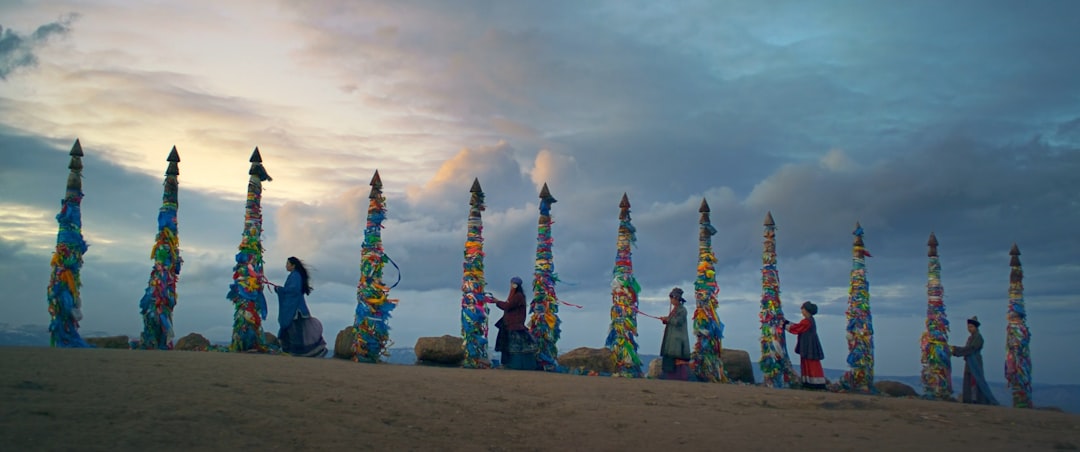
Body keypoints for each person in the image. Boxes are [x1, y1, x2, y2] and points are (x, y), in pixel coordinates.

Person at [273, 257, 327, 357]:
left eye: (288, 264)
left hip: (296, 309)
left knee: (295, 331)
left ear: (293, 265)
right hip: (297, 308)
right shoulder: (295, 275)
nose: (286, 266)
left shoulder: (295, 276)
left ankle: (297, 351)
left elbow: (294, 291)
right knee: (292, 330)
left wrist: (280, 290)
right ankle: (288, 350)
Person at [490, 276, 536, 370]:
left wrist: (497, 302)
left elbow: (507, 306)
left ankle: (510, 364)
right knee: (506, 346)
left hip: (514, 326)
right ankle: (506, 364)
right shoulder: (516, 296)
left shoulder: (518, 296)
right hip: (510, 325)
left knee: (510, 346)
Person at [951, 316, 999, 405]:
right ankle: (968, 400)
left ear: (976, 327)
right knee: (968, 380)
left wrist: (956, 350)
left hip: (975, 362)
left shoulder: (979, 338)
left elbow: (971, 348)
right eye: (968, 327)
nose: (969, 329)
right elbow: (967, 349)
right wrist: (955, 350)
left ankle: (977, 400)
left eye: (971, 327)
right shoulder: (970, 338)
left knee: (976, 380)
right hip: (969, 362)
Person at [784, 301, 827, 390]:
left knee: (811, 363)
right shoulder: (809, 320)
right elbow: (798, 326)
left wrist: (784, 325)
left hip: (809, 346)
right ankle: (809, 383)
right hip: (808, 345)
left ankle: (815, 383)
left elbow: (797, 328)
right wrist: (786, 322)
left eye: (802, 309)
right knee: (808, 362)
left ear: (806, 310)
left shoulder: (806, 322)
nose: (802, 311)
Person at [660, 287, 690, 380]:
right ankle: (669, 377)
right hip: (671, 340)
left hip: (678, 340)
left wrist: (667, 319)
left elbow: (678, 322)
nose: (671, 300)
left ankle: (679, 377)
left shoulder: (682, 310)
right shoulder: (675, 309)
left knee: (677, 358)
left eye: (672, 298)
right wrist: (665, 320)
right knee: (669, 359)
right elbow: (672, 320)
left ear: (676, 298)